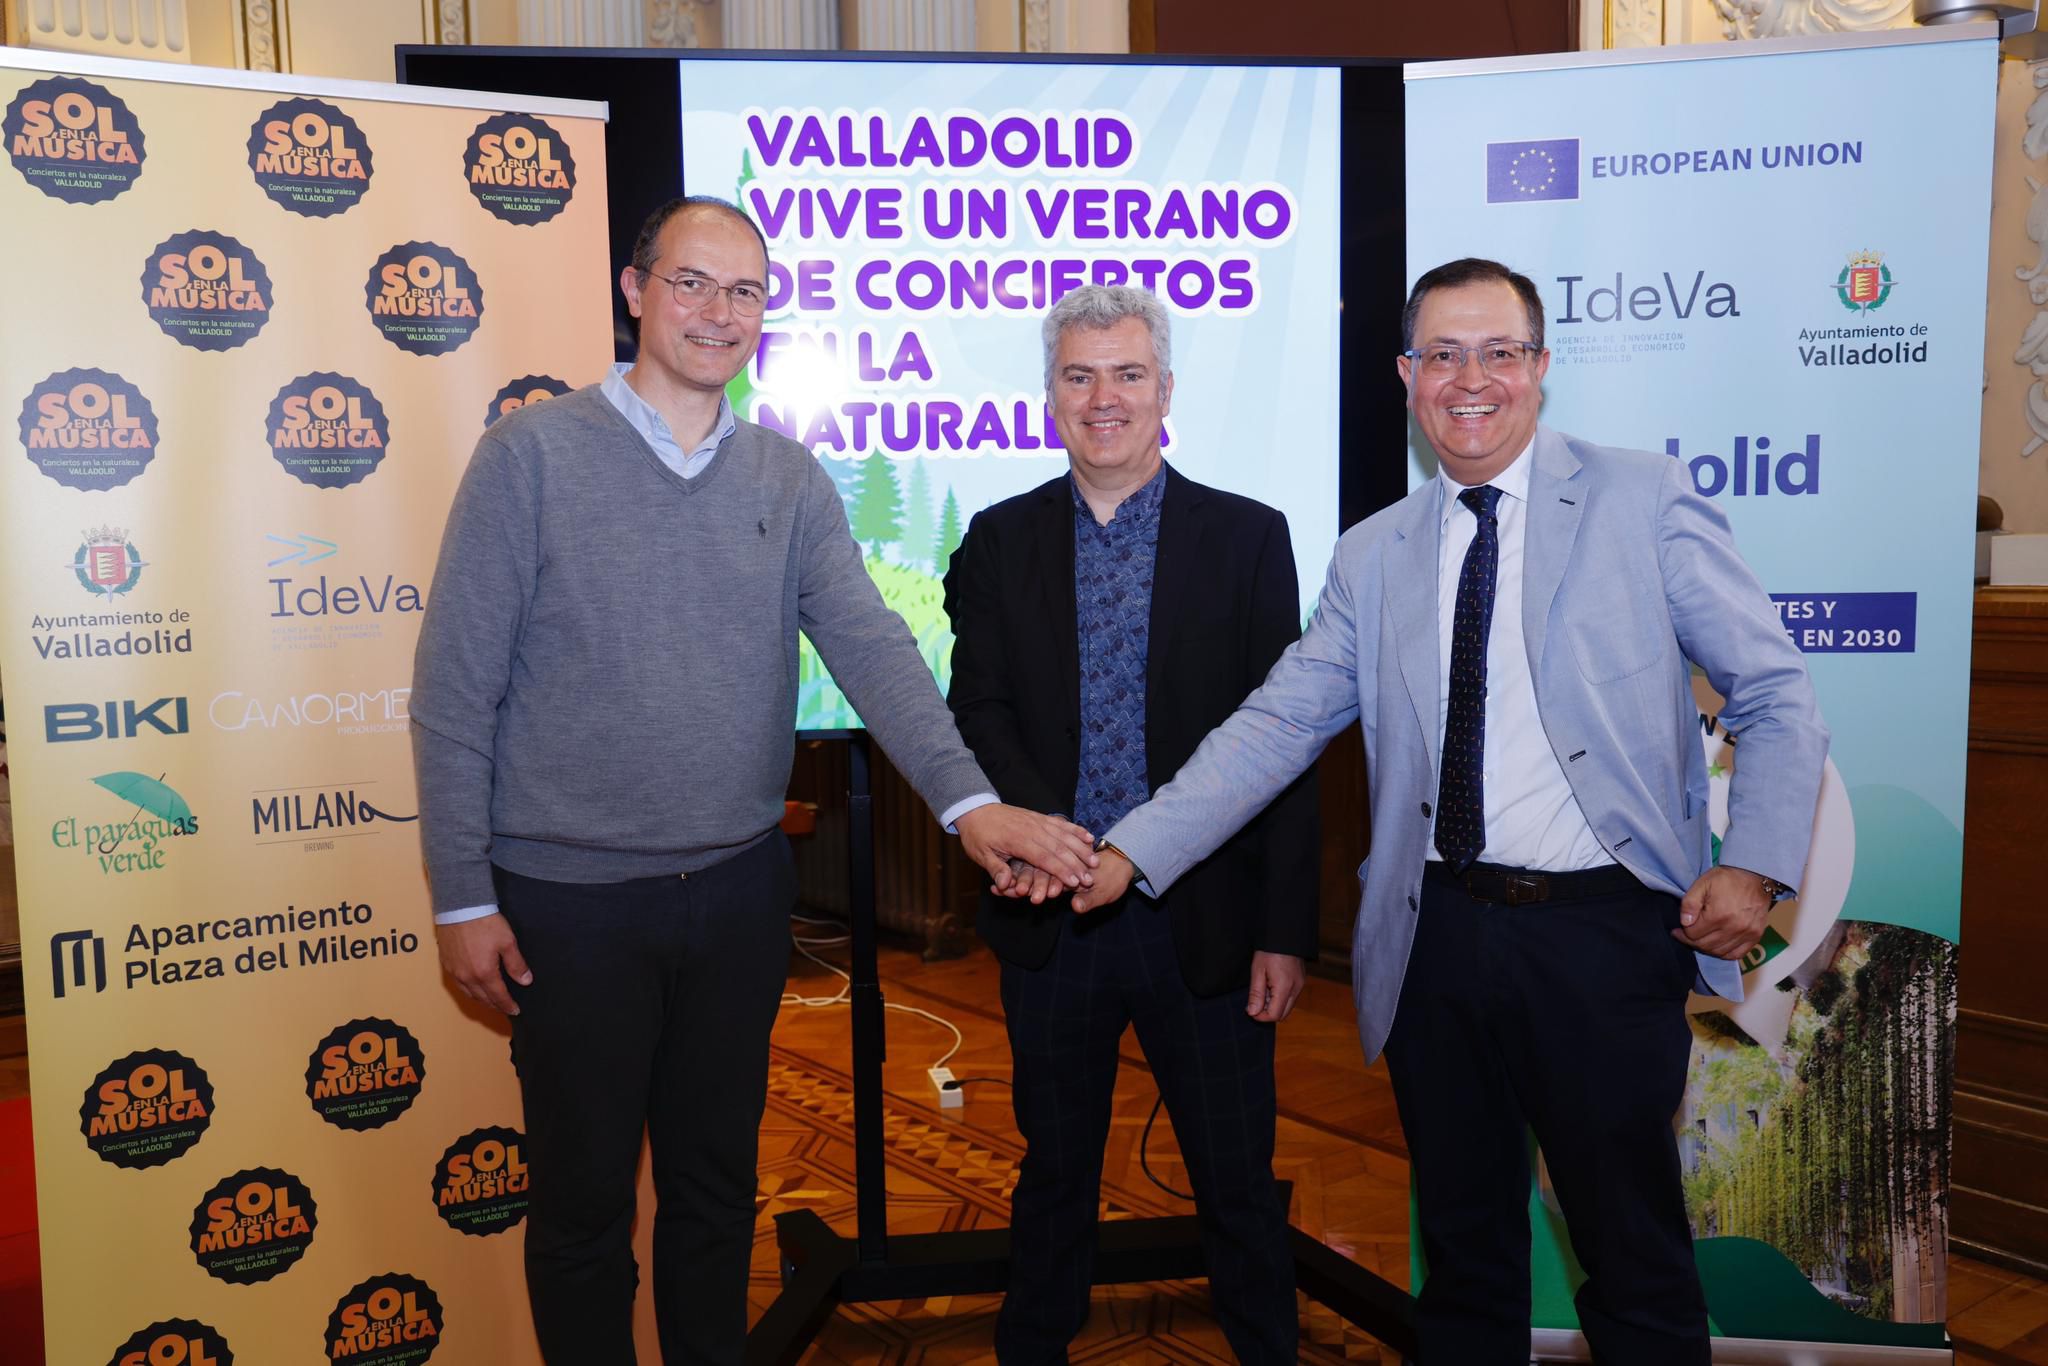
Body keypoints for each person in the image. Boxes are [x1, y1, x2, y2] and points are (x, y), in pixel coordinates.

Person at [1071, 258, 1828, 1364]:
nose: (1468, 378)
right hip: (1436, 943)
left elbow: (1772, 690)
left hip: (1600, 939)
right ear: (1406, 373)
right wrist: (1131, 849)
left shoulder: (1641, 498)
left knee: (1633, 1259)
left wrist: (1753, 864)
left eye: (1496, 352)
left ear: (1537, 368)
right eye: (1440, 354)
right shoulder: (1372, 552)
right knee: (1465, 1263)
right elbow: (1275, 726)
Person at [410, 195, 1099, 1365]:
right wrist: (462, 898)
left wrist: (970, 804)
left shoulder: (787, 476)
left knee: (716, 1193)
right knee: (581, 1214)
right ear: (635, 289)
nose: (718, 313)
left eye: (744, 291)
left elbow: (875, 650)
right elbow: (452, 688)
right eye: (692, 283)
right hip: (566, 907)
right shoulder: (529, 456)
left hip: (735, 895)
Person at [942, 285, 1317, 1364]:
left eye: (1126, 374)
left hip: (1202, 920)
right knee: (1053, 1169)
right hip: (1049, 911)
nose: (1102, 397)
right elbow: (981, 710)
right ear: (1049, 393)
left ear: (1164, 391)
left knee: (1234, 1178)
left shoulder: (1248, 538)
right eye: (1077, 374)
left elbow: (1280, 741)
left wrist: (1284, 930)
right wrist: (1039, 835)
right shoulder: (998, 539)